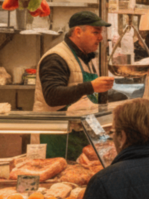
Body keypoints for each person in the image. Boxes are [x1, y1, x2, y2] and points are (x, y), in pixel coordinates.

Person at [34, 10, 116, 160]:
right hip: (57, 138)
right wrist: (90, 86)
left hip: (79, 136)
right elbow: (52, 96)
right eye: (96, 32)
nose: (101, 38)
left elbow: (86, 101)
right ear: (78, 32)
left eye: (101, 33)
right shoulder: (56, 58)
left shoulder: (85, 59)